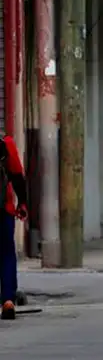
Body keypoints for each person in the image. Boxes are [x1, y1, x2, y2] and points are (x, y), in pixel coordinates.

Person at [0, 134, 27, 320]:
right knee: (6, 254)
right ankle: (8, 300)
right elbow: (17, 175)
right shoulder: (5, 143)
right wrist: (22, 203)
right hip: (3, 210)